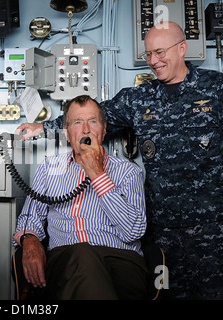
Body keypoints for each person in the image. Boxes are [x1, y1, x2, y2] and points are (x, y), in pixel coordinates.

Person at [16, 21, 223, 299]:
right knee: (171, 295)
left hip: (213, 225)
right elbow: (90, 122)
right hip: (164, 229)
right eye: (148, 54)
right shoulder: (138, 99)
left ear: (182, 48)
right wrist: (42, 128)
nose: (153, 61)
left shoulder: (215, 88)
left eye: (160, 52)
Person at [14, 95, 148, 299]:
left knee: (85, 258)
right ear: (67, 134)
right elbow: (29, 218)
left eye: (93, 121)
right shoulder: (49, 168)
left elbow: (133, 231)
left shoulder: (129, 172)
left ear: (103, 130)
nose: (86, 129)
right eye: (78, 122)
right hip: (64, 260)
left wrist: (97, 174)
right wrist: (30, 239)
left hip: (121, 262)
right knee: (83, 254)